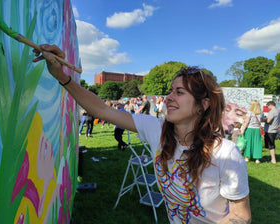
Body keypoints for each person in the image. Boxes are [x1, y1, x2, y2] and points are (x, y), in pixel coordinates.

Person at [33, 45, 251, 224]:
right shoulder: (156, 129)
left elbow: (241, 215)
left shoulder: (225, 153)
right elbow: (102, 109)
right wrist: (60, 76)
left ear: (202, 105)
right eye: (170, 91)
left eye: (179, 92)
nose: (168, 97)